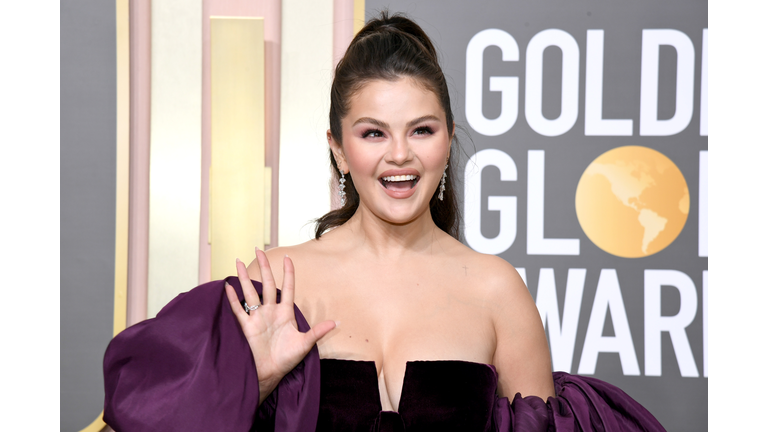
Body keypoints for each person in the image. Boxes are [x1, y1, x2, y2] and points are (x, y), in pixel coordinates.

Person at [103, 12, 665, 432]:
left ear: (448, 141)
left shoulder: (497, 290)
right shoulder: (274, 282)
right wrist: (257, 382)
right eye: (374, 133)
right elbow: (147, 417)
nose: (400, 155)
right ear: (339, 150)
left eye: (421, 130)